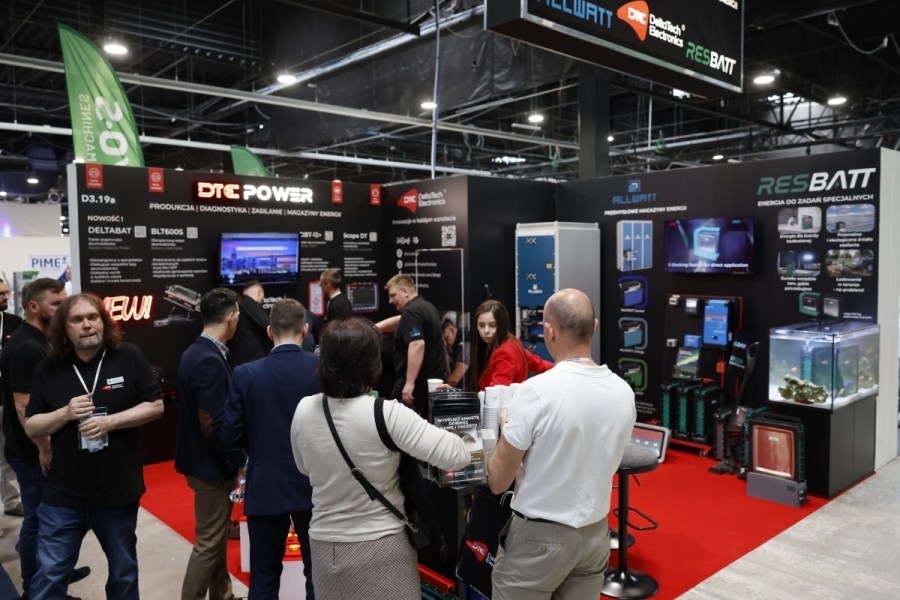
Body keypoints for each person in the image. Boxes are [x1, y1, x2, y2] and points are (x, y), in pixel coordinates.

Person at [290, 318, 470, 600]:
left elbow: (304, 467)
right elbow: (457, 455)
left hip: (324, 547)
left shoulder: (304, 409)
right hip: (381, 547)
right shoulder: (387, 414)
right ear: (372, 364)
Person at [487, 289, 636, 600]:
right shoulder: (624, 392)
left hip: (538, 540)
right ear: (594, 327)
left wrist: (505, 431)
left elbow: (498, 481)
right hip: (595, 534)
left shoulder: (535, 392)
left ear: (549, 330)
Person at [24, 293, 164, 599]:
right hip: (63, 495)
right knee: (49, 578)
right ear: (64, 328)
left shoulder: (129, 356)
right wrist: (64, 413)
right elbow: (31, 425)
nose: (87, 325)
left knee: (123, 575)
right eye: (77, 319)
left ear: (104, 322)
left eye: (93, 317)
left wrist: (109, 422)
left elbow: (155, 406)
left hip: (117, 493)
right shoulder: (49, 367)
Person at [1, 279, 93, 598]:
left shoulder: (42, 339)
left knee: (56, 521)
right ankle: (36, 588)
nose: (63, 308)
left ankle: (57, 572)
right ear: (33, 307)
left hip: (43, 448)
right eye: (56, 303)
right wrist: (46, 448)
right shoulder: (26, 347)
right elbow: (23, 406)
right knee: (39, 522)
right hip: (32, 453)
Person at [223, 299, 319, 600]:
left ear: (269, 331)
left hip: (265, 484)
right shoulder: (322, 370)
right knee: (318, 577)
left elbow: (230, 435)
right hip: (316, 485)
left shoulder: (245, 374)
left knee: (264, 579)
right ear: (305, 330)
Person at [176, 287, 247, 600]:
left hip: (205, 462)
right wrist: (241, 459)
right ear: (230, 318)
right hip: (211, 466)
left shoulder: (200, 352)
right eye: (238, 316)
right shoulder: (207, 358)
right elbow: (213, 424)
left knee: (216, 537)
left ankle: (224, 595)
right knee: (208, 542)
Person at [379, 274, 447, 415]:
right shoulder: (426, 306)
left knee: (394, 417)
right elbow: (401, 320)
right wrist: (375, 328)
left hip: (418, 383)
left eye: (393, 295)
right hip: (433, 380)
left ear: (405, 291)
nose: (390, 301)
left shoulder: (410, 311)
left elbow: (417, 344)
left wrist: (409, 383)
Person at [471, 300, 554, 391]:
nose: (486, 331)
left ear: (502, 325)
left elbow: (495, 394)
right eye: (481, 325)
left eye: (492, 325)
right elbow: (537, 363)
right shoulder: (512, 341)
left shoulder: (504, 353)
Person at [0, 277, 23, 517]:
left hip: (7, 400)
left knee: (6, 454)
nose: (6, 297)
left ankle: (11, 501)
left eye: (6, 292)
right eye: (1, 294)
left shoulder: (15, 323)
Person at [228, 280, 272, 368]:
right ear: (259, 292)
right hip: (252, 363)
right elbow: (269, 324)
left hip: (241, 361)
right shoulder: (249, 303)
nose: (263, 298)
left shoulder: (239, 304)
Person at [441, 318, 469, 388]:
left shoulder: (465, 340)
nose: (446, 344)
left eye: (446, 338)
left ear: (452, 330)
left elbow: (455, 379)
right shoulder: (454, 346)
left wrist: (441, 386)